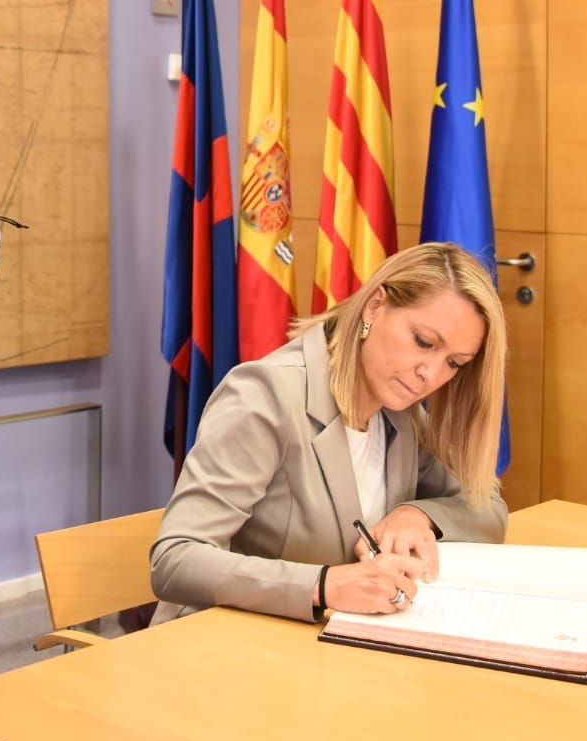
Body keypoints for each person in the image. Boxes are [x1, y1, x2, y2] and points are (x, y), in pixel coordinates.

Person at [151, 241, 509, 624]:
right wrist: (322, 586)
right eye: (423, 342)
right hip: (216, 652)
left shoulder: (401, 416)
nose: (431, 375)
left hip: (323, 653)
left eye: (453, 363)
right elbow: (176, 558)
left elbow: (486, 506)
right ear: (375, 305)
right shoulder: (266, 396)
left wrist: (418, 514)